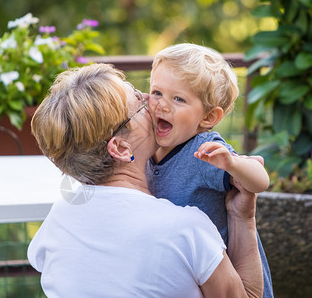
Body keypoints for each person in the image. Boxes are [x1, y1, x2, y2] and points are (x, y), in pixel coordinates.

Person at [27, 63, 263, 297]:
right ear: (120, 147)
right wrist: (243, 218)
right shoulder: (186, 230)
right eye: (139, 103)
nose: (151, 102)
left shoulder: (58, 218)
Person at [146, 43, 273, 297]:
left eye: (178, 98)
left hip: (230, 278)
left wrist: (233, 163)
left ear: (207, 118)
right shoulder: (147, 144)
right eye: (157, 92)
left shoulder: (204, 150)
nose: (161, 105)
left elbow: (260, 181)